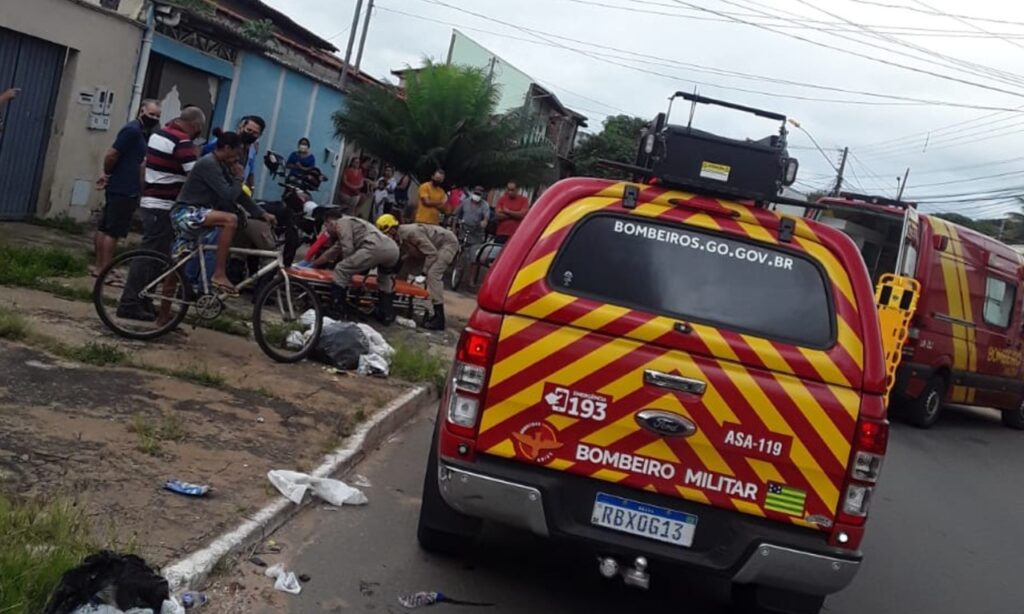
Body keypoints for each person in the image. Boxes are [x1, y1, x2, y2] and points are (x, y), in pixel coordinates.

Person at [118, 106, 206, 321]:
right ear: (195, 125)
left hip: (151, 200)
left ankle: (143, 299)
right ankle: (130, 302)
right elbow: (195, 176)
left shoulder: (159, 134)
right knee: (149, 256)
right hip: (164, 206)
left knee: (159, 258)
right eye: (199, 130)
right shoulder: (182, 142)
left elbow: (144, 166)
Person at [170, 130, 275, 295]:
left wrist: (261, 213)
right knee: (230, 220)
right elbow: (227, 196)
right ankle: (219, 274)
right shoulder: (209, 163)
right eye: (236, 154)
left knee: (183, 264)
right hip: (186, 213)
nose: (237, 159)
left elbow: (239, 195)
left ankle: (170, 314)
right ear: (226, 148)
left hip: (202, 213)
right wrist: (239, 177)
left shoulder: (222, 165)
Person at [92, 99, 162, 282]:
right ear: (142, 111)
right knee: (112, 230)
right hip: (123, 186)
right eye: (151, 114)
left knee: (106, 226)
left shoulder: (142, 132)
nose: (154, 118)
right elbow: (112, 154)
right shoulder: (132, 130)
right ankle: (104, 271)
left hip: (125, 185)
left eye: (157, 116)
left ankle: (101, 268)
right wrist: (107, 173)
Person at [309, 209, 399, 320]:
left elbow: (348, 249)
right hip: (392, 250)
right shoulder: (353, 225)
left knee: (341, 269)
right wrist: (313, 264)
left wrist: (348, 270)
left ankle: (336, 309)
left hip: (374, 248)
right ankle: (385, 314)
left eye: (326, 227)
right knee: (384, 279)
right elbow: (331, 253)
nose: (326, 231)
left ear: (330, 223)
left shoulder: (341, 223)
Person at [377, 215, 458, 330]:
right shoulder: (400, 237)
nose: (387, 237)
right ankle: (393, 301)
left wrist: (423, 273)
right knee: (404, 267)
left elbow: (431, 253)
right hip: (431, 245)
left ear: (393, 229)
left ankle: (439, 317)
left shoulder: (412, 233)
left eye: (388, 233)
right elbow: (403, 255)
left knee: (433, 274)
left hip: (446, 244)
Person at [203, 115, 265, 187]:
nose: (250, 134)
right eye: (249, 130)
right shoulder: (226, 140)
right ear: (241, 127)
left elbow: (251, 170)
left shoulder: (252, 149)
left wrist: (251, 187)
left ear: (259, 135)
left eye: (255, 133)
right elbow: (203, 151)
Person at [451, 185, 490, 284]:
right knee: (456, 250)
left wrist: (484, 222)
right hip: (463, 231)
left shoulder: (485, 205)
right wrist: (454, 227)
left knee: (474, 257)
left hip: (476, 234)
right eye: (476, 193)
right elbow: (456, 214)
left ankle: (471, 280)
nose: (477, 195)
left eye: (479, 194)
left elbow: (486, 218)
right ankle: (453, 271)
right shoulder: (465, 202)